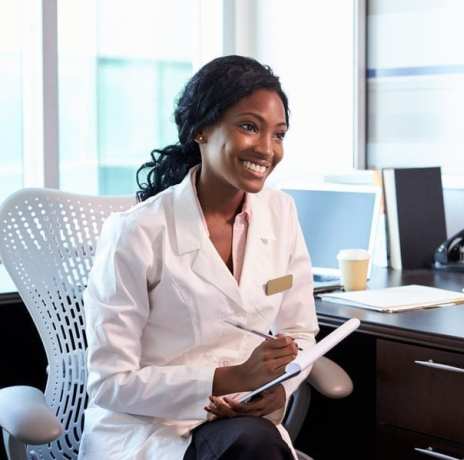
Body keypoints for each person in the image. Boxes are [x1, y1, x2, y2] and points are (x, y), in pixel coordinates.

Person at [80, 55, 318, 460]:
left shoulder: (281, 213)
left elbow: (300, 333)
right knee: (254, 445)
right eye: (249, 127)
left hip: (242, 424)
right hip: (152, 430)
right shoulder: (138, 231)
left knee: (253, 441)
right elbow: (109, 382)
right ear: (202, 130)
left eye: (278, 134)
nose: (267, 149)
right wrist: (226, 379)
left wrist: (276, 389)